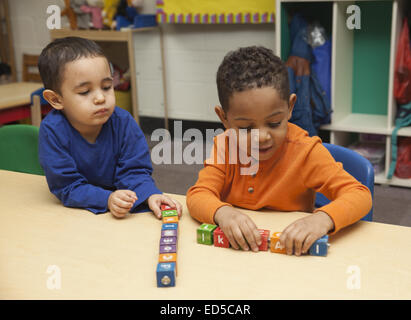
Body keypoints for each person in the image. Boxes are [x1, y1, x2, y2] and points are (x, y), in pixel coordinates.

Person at [186, 46, 372, 256]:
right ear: (224, 119)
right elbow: (197, 195)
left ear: (290, 107)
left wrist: (322, 219)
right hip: (237, 257)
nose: (262, 137)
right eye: (246, 128)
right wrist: (222, 212)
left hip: (291, 257)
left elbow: (359, 195)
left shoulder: (306, 152)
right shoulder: (225, 146)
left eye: (274, 123)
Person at [38, 36, 182, 219]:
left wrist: (150, 194)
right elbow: (66, 185)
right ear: (56, 100)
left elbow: (135, 170)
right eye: (85, 92)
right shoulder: (52, 131)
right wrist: (106, 198)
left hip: (121, 209)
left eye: (106, 87)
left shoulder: (123, 122)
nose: (100, 98)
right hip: (74, 214)